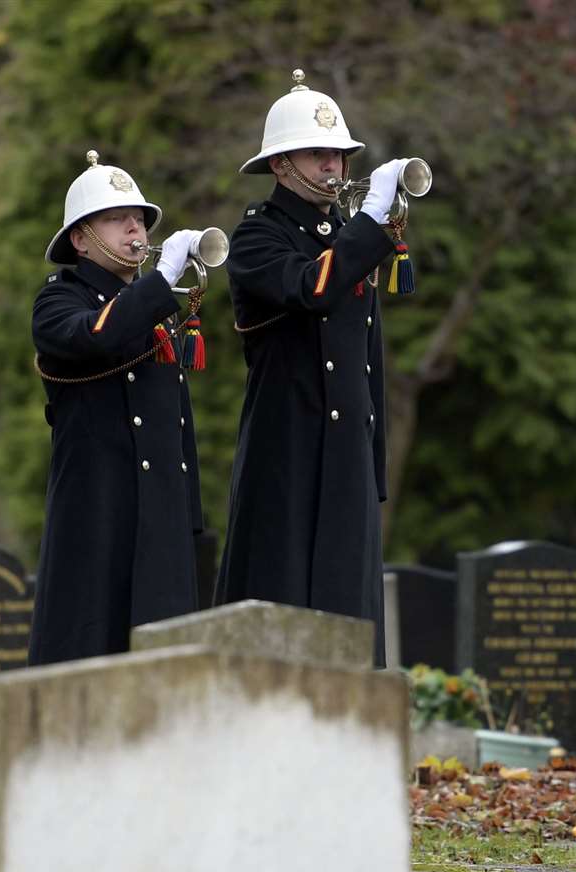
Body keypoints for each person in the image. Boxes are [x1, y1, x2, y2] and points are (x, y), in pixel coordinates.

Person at [215, 69, 414, 665]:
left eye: (339, 154)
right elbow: (313, 288)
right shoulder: (256, 236)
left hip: (346, 447)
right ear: (280, 165)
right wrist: (371, 224)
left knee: (349, 610)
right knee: (284, 604)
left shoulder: (347, 235)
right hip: (290, 442)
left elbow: (368, 355)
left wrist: (370, 455)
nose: (333, 166)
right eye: (317, 154)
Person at [27, 150, 208, 665]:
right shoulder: (59, 300)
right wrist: (161, 281)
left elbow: (177, 419)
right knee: (92, 648)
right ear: (81, 238)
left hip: (160, 510)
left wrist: (187, 512)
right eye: (117, 218)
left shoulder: (151, 305)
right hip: (99, 508)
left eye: (140, 219)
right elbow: (98, 336)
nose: (136, 228)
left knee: (164, 659)